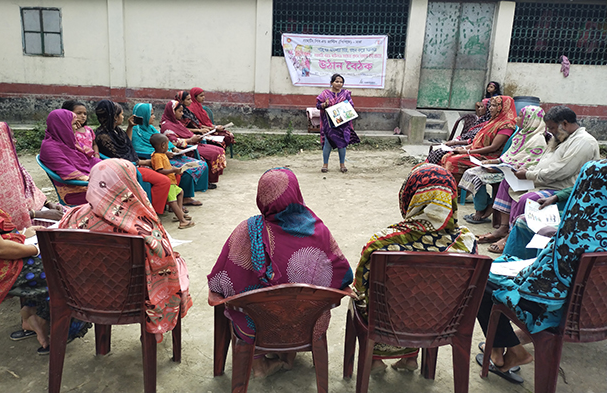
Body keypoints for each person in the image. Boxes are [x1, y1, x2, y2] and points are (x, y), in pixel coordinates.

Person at [207, 167, 352, 377]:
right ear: (296, 193)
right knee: (299, 303)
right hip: (308, 324)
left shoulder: (247, 230)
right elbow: (343, 278)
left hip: (257, 325)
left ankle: (259, 365)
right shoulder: (318, 231)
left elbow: (219, 284)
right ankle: (289, 354)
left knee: (243, 304)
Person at [475, 160, 607, 383]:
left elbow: (537, 285)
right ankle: (500, 349)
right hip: (597, 312)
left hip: (562, 310)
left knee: (484, 278)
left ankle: (511, 351)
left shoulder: (573, 236)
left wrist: (519, 271)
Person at [0, 141, 89, 354]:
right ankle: (64, 326)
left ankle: (32, 315)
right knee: (62, 265)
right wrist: (36, 248)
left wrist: (20, 236)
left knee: (42, 257)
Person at [354, 163, 477, 371]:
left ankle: (376, 359)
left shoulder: (383, 243)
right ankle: (410, 358)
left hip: (387, 322)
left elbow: (362, 290)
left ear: (410, 196)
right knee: (427, 297)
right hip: (441, 321)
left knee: (385, 299)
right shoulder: (466, 242)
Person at [59, 159, 192, 343]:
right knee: (176, 264)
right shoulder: (142, 228)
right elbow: (163, 265)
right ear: (129, 184)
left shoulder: (73, 218)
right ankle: (156, 328)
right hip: (132, 299)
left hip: (85, 294)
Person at [479, 106, 600, 245]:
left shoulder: (583, 141)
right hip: (543, 181)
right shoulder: (562, 137)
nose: (551, 132)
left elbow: (561, 171)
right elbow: (544, 162)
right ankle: (503, 228)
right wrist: (525, 168)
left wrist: (529, 174)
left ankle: (511, 238)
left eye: (553, 128)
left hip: (562, 187)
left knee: (527, 199)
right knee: (507, 182)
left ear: (565, 124)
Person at [460, 105, 547, 233]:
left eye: (521, 116)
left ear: (530, 119)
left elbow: (528, 162)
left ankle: (500, 222)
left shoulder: (538, 139)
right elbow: (509, 155)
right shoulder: (521, 135)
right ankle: (483, 207)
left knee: (487, 177)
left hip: (518, 173)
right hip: (505, 167)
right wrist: (493, 162)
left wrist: (498, 168)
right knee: (471, 172)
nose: (517, 119)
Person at [0, 122, 64, 230]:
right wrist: (39, 214)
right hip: (14, 227)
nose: (15, 141)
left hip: (35, 211)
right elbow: (1, 215)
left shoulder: (9, 164)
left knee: (73, 215)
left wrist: (48, 203)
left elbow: (30, 188)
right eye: (10, 137)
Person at [94, 100, 171, 216]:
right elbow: (120, 158)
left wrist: (130, 127)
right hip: (125, 170)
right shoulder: (103, 136)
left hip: (133, 165)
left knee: (171, 172)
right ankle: (152, 212)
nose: (123, 117)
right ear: (114, 117)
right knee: (164, 180)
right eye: (121, 114)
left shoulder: (117, 131)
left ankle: (169, 204)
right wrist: (143, 162)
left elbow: (127, 145)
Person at [130, 102, 208, 206]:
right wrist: (164, 153)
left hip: (167, 156)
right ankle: (183, 197)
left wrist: (175, 149)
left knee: (199, 164)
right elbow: (139, 148)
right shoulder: (135, 131)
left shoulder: (151, 128)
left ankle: (184, 195)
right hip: (157, 159)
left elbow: (165, 141)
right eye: (151, 114)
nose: (154, 117)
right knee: (186, 170)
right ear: (144, 115)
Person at [440, 96, 516, 184]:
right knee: (447, 156)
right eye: (490, 105)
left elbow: (493, 147)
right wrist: (464, 148)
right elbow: (477, 141)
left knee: (452, 161)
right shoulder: (493, 121)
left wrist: (467, 152)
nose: (490, 108)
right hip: (478, 153)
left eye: (494, 106)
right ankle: (447, 188)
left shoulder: (507, 125)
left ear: (503, 108)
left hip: (488, 157)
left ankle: (455, 190)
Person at [160, 99, 226, 188]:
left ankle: (209, 179)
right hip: (185, 148)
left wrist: (198, 137)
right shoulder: (166, 125)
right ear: (172, 112)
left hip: (193, 144)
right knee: (213, 153)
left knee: (219, 149)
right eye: (179, 111)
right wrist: (191, 140)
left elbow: (187, 132)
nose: (182, 114)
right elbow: (174, 141)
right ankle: (206, 181)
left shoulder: (176, 122)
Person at [40, 109, 101, 181]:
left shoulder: (69, 141)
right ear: (63, 126)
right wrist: (92, 180)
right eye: (74, 124)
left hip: (89, 177)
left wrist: (109, 165)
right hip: (76, 186)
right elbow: (66, 169)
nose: (76, 127)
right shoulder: (49, 147)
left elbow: (89, 159)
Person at [150, 133, 195, 229]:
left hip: (172, 181)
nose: (168, 147)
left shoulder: (162, 154)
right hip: (168, 183)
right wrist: (173, 170)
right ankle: (182, 221)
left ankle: (179, 214)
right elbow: (159, 171)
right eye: (167, 144)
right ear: (163, 145)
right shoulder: (157, 156)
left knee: (180, 192)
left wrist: (176, 170)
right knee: (172, 201)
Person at [316, 73, 360, 173]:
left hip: (343, 123)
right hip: (329, 123)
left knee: (343, 143)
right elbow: (318, 105)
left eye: (341, 82)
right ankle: (325, 164)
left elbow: (351, 105)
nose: (339, 84)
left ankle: (342, 164)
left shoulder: (346, 94)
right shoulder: (325, 94)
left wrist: (344, 107)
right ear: (331, 83)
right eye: (336, 81)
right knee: (328, 143)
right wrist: (324, 104)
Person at [427, 99, 490, 165]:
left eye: (482, 107)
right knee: (435, 149)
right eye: (479, 107)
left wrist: (458, 144)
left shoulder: (488, 124)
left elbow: (473, 140)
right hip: (465, 143)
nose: (479, 109)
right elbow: (469, 135)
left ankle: (437, 171)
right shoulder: (481, 120)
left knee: (441, 153)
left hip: (470, 146)